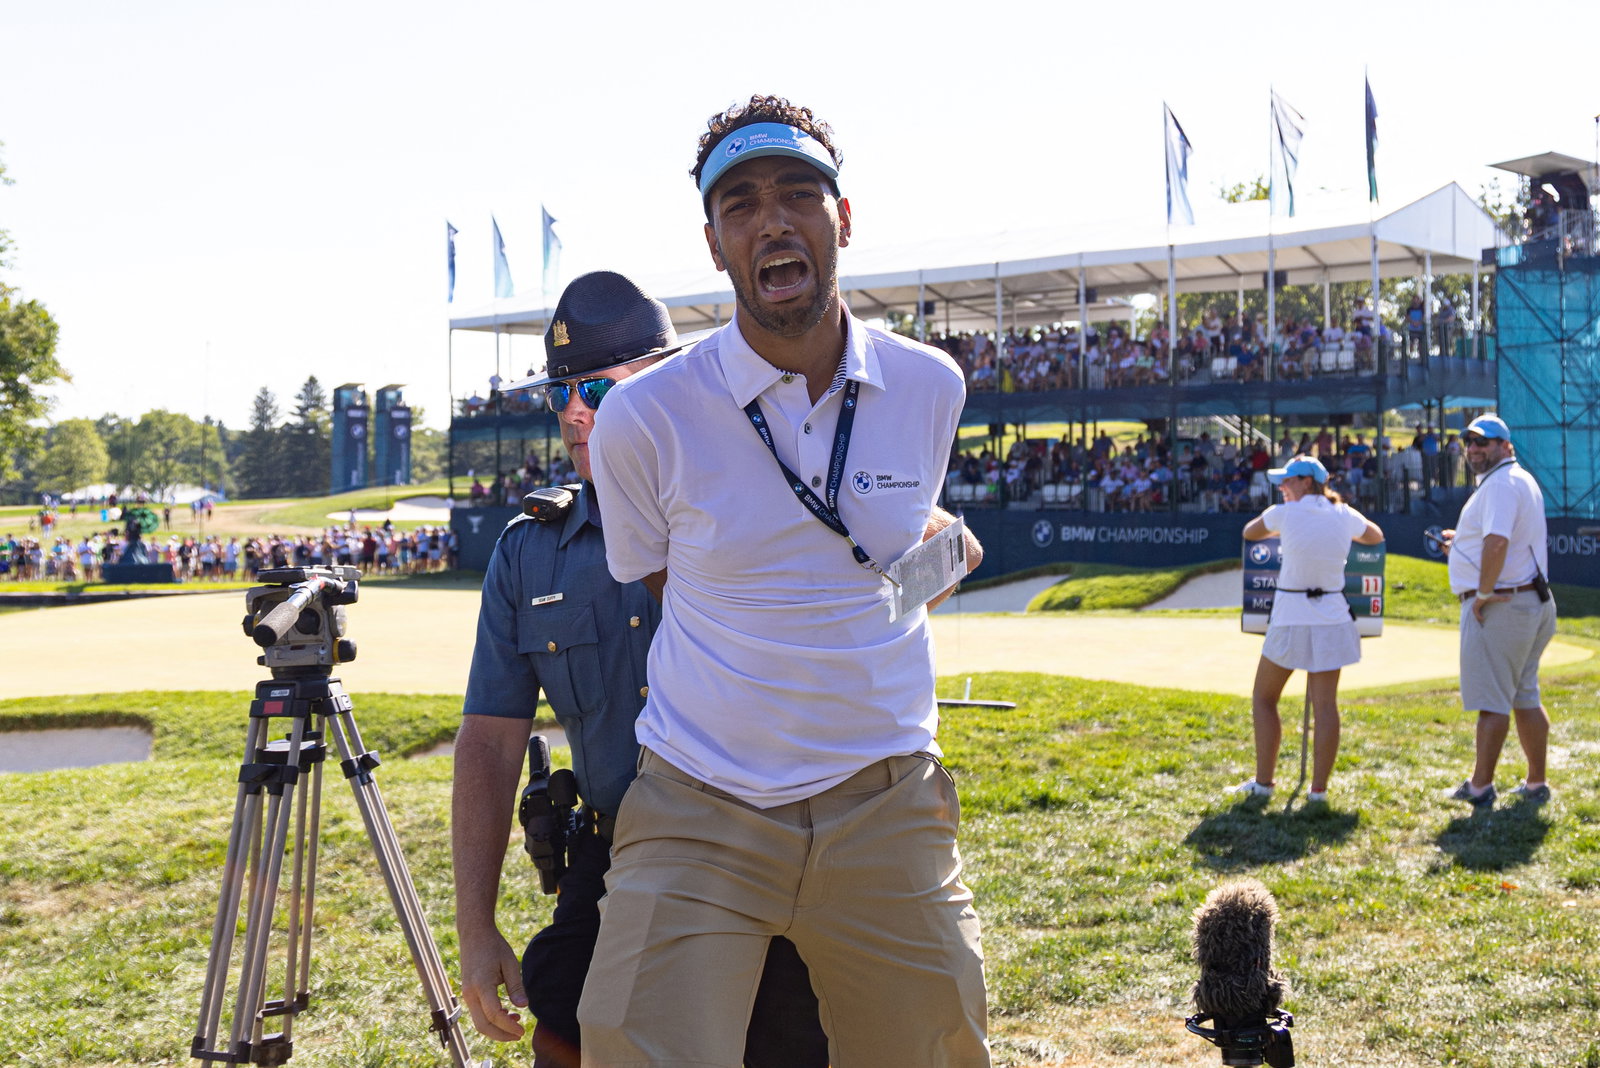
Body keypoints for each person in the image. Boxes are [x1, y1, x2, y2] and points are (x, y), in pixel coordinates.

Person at [582, 95, 990, 1066]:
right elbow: (668, 584)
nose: (772, 219)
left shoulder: (931, 385)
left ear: (841, 218)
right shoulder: (642, 418)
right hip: (698, 804)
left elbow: (869, 577)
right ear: (715, 244)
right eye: (741, 204)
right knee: (629, 1047)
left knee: (938, 1054)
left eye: (798, 193)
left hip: (886, 801)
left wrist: (940, 562)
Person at [451, 272, 827, 1068]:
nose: (573, 413)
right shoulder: (528, 552)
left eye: (596, 388)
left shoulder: (751, 509)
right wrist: (475, 928)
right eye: (559, 395)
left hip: (761, 853)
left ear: (666, 386)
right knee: (566, 1021)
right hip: (617, 853)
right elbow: (488, 741)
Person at [1235, 456, 1384, 803]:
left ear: (1306, 482)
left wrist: (1286, 521)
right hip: (1332, 618)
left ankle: (1264, 784)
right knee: (1325, 706)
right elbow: (1375, 536)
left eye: (1287, 481)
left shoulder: (1283, 513)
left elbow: (1250, 531)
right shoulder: (1344, 513)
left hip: (1291, 617)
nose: (1282, 488)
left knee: (1263, 698)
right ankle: (1318, 792)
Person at [1438, 414, 1558, 807]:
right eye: (1469, 442)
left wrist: (1484, 593)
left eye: (1483, 442)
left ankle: (1480, 787)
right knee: (1525, 696)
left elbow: (1497, 543)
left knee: (1492, 702)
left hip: (1504, 605)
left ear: (1505, 446)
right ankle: (1536, 784)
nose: (1474, 449)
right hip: (1530, 601)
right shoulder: (1514, 479)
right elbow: (1493, 541)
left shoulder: (1501, 483)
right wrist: (1461, 543)